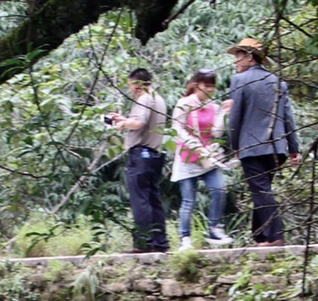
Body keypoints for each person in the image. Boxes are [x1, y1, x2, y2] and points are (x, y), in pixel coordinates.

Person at [221, 37, 301, 247]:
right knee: (261, 188)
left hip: (252, 146)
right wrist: (294, 148)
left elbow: (235, 116)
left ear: (249, 57)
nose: (235, 62)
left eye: (238, 56)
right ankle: (261, 237)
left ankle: (275, 236)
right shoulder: (278, 82)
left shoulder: (240, 80)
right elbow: (287, 117)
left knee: (261, 190)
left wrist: (235, 145)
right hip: (277, 147)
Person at [106, 67, 170, 253]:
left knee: (140, 199)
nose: (130, 90)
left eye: (131, 86)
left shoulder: (143, 98)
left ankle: (144, 243)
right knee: (153, 199)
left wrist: (123, 124)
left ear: (137, 85)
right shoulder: (158, 98)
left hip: (140, 155)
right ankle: (160, 242)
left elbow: (140, 123)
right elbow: (145, 122)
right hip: (154, 154)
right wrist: (126, 119)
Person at [170, 70, 232, 250]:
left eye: (212, 86)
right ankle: (185, 238)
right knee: (189, 200)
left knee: (219, 190)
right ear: (197, 84)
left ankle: (214, 229)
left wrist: (223, 113)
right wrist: (193, 144)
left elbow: (216, 133)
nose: (209, 90)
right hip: (188, 158)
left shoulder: (213, 106)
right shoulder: (184, 104)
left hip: (207, 159)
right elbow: (177, 129)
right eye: (206, 86)